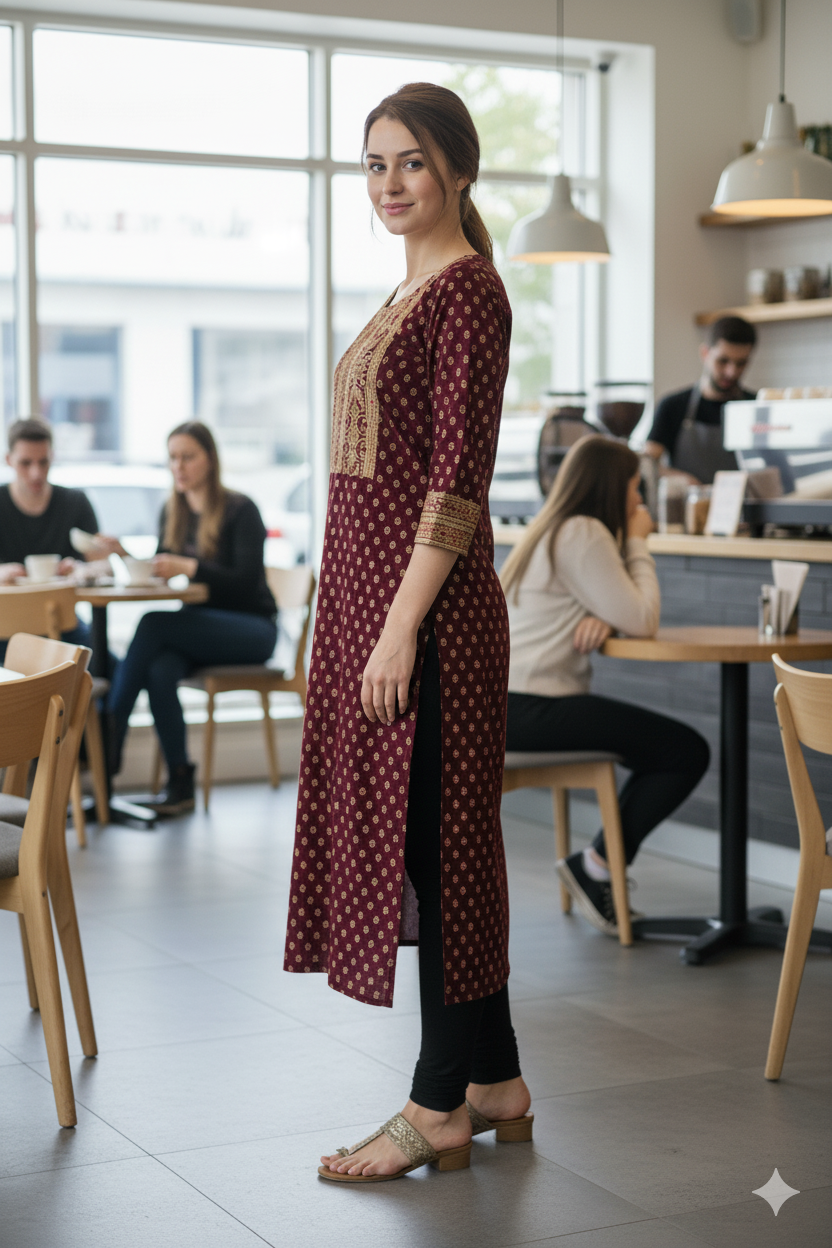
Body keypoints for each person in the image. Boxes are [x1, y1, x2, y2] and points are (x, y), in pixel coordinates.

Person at [285, 83, 531, 1184]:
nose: (390, 184)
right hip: (376, 618)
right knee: (439, 849)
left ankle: (438, 1104)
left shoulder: (468, 294)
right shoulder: (408, 291)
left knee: (439, 852)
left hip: (428, 626)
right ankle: (499, 1081)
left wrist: (392, 636)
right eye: (374, 164)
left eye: (412, 163)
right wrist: (329, 627)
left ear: (461, 172)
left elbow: (451, 490)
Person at [501, 435, 710, 936]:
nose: (639, 501)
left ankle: (595, 866)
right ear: (612, 487)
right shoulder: (585, 532)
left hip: (512, 706)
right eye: (636, 489)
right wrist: (639, 540)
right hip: (533, 708)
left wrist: (602, 614)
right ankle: (594, 868)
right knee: (685, 750)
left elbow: (617, 611)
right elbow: (644, 618)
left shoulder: (554, 527)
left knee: (667, 747)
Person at [104, 422, 277, 817]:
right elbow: (163, 572)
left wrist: (192, 566)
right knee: (161, 668)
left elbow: (246, 582)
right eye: (172, 458)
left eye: (187, 456)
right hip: (198, 628)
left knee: (151, 624)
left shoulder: (240, 509)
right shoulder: (174, 510)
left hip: (252, 629)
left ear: (210, 459)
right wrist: (124, 554)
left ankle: (111, 729)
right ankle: (180, 782)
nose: (178, 467)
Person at [0, 418, 105, 659]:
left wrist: (82, 570)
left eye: (43, 462)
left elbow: (103, 565)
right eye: (26, 463)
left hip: (61, 623)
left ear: (52, 457)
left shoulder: (75, 502)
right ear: (9, 460)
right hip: (4, 629)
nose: (36, 473)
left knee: (103, 667)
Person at [644, 315, 757, 484]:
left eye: (740, 363)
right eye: (723, 361)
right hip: (687, 507)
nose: (731, 372)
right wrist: (682, 480)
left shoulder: (756, 407)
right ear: (705, 353)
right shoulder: (673, 406)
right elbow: (647, 464)